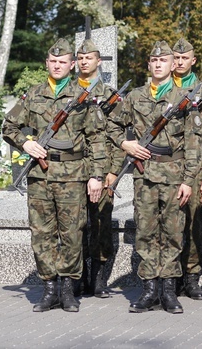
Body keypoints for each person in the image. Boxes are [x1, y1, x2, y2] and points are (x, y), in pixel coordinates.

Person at [2, 38, 107, 313]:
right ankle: (49, 288)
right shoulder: (33, 94)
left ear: (72, 65)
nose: (57, 65)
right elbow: (8, 126)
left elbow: (97, 138)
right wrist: (25, 143)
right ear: (46, 63)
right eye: (53, 61)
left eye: (63, 62)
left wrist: (96, 176)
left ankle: (68, 289)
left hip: (73, 177)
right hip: (40, 176)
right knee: (42, 234)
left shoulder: (83, 96)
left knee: (72, 234)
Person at [106, 40, 201, 314]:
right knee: (146, 231)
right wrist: (126, 145)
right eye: (154, 61)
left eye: (164, 61)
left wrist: (188, 180)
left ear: (173, 65)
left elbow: (194, 142)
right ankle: (149, 290)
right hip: (144, 174)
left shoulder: (184, 99)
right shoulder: (135, 97)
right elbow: (111, 125)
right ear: (149, 65)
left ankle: (169, 291)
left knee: (172, 232)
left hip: (174, 174)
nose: (158, 65)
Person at [170, 38, 202, 301]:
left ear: (193, 60)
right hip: (169, 165)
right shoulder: (162, 87)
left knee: (193, 222)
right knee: (170, 222)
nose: (179, 62)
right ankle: (171, 276)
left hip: (196, 166)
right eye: (175, 58)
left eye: (184, 58)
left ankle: (192, 276)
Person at [75, 39, 117, 298]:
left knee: (100, 223)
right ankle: (77, 277)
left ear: (98, 61)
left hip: (102, 166)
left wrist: (112, 170)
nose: (84, 61)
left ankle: (98, 278)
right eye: (80, 57)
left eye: (88, 57)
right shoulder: (67, 91)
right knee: (75, 224)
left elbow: (117, 133)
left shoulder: (109, 94)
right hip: (73, 167)